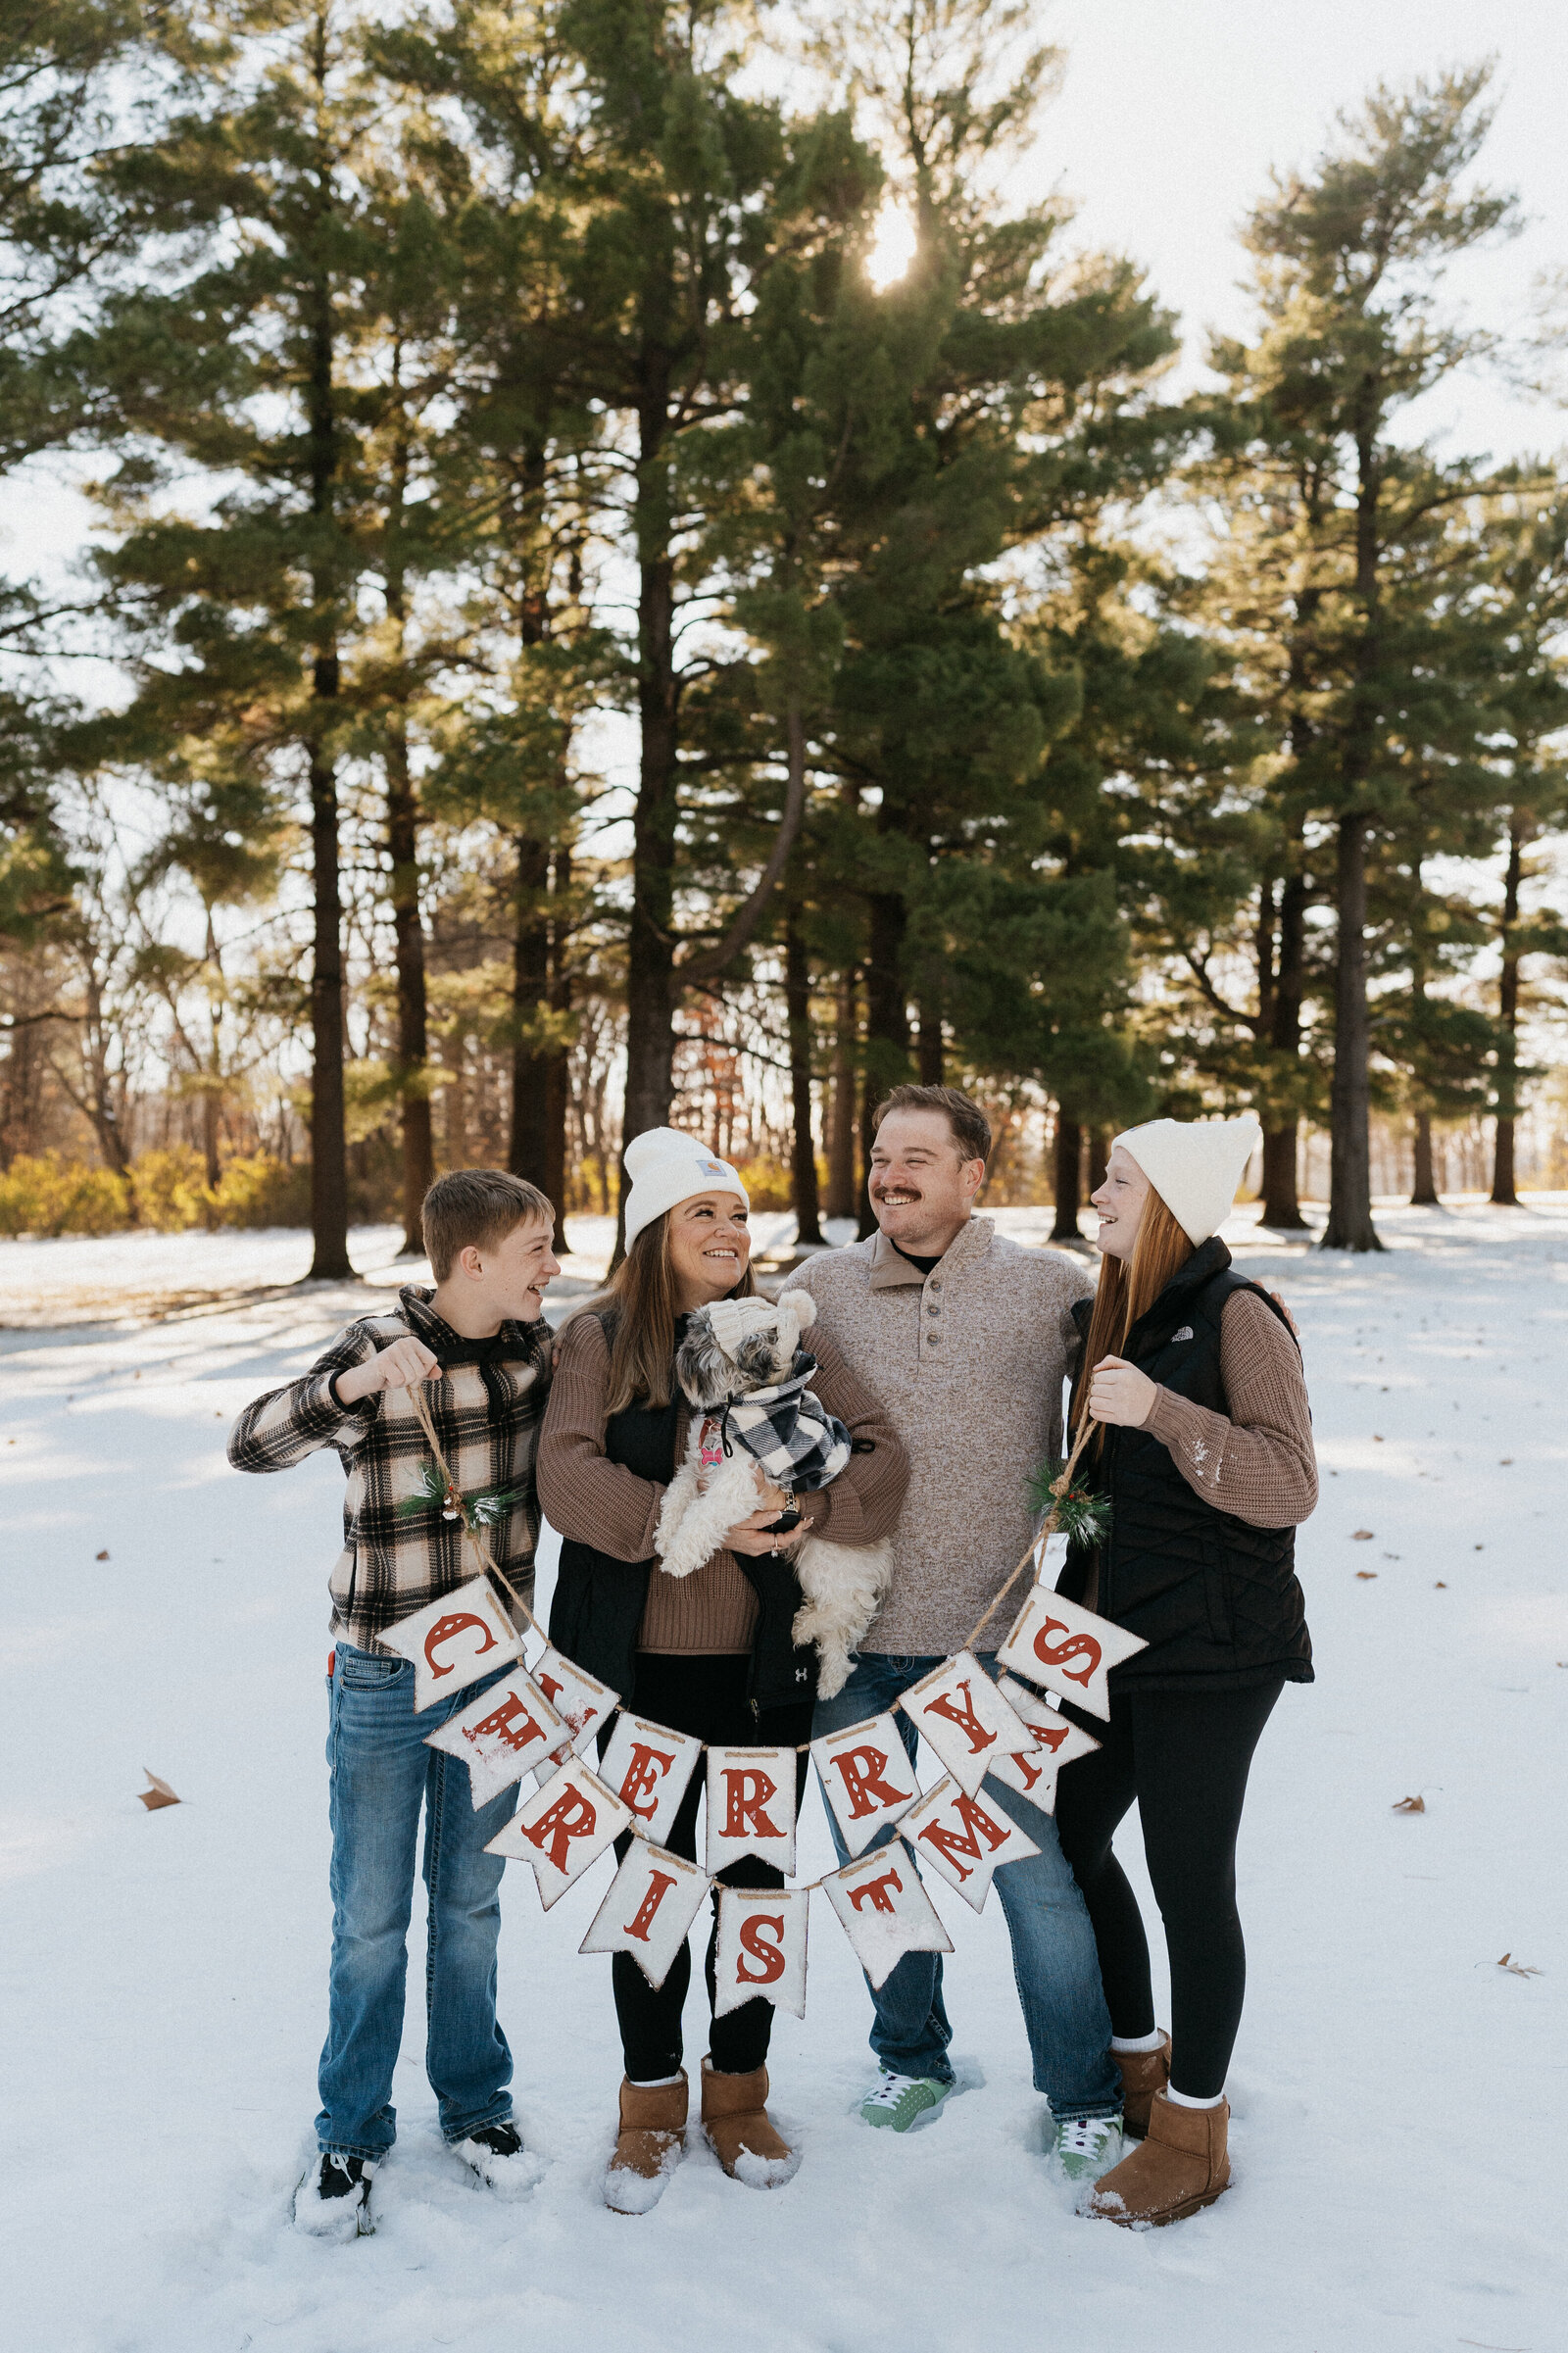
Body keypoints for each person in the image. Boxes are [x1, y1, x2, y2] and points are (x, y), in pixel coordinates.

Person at [537, 1126, 907, 2213]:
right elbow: (565, 1475)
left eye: (740, 1214)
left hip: (761, 1671)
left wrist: (799, 1515)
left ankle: (738, 2092)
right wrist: (692, 1521)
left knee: (750, 1884)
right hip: (634, 1673)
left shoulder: (788, 1329)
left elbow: (884, 1453)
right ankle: (649, 2104)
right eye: (705, 1212)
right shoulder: (599, 1340)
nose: (732, 1231)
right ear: (653, 1229)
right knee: (650, 1885)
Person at [784, 1085, 1127, 2183]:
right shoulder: (815, 1290)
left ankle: (1080, 2094)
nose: (892, 1175)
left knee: (1035, 1875)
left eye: (918, 1157)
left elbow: (1109, 1436)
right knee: (874, 1865)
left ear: (975, 1174)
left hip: (997, 1644)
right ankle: (910, 2055)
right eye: (881, 1156)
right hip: (847, 1641)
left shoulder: (1047, 1291)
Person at [228, 1169, 561, 2238]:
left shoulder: (538, 1353)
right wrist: (353, 1385)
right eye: (536, 1249)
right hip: (382, 1678)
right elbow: (249, 1442)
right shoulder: (373, 1339)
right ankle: (351, 2128)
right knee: (369, 1920)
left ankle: (476, 2106)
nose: (551, 1267)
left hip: (497, 1681)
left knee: (470, 1907)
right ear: (472, 1261)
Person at [1051, 1116, 1317, 2228]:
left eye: (1117, 1178)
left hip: (1214, 1647)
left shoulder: (1237, 1315)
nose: (1096, 1192)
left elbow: (1288, 1482)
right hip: (1112, 1640)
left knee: (1188, 1877)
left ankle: (1194, 2133)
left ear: (1167, 1199)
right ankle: (1136, 2061)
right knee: (1071, 1836)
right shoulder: (1109, 1313)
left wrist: (1162, 1411)